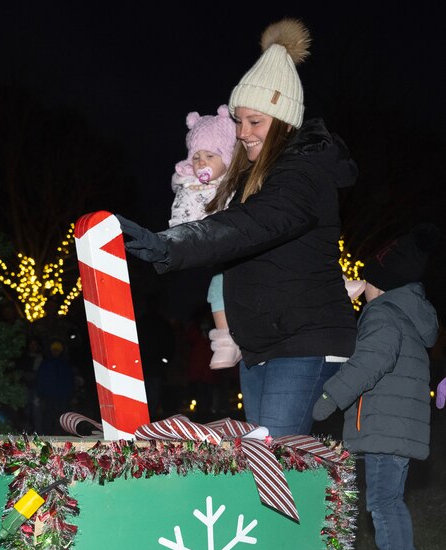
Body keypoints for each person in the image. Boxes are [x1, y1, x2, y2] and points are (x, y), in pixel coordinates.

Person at [116, 18, 358, 437]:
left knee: (275, 463)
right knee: (263, 466)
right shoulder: (253, 173)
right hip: (261, 345)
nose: (242, 133)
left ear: (284, 121)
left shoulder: (304, 172)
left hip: (305, 342)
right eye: (240, 121)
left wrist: (174, 246)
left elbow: (254, 224)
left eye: (255, 122)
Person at [311, 223, 441, 550]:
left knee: (381, 502)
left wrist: (330, 397)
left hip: (384, 426)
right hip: (400, 427)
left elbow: (369, 363)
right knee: (391, 500)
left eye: (365, 281)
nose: (361, 287)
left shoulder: (382, 315)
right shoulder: (409, 317)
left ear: (379, 284)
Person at [168, 105, 240, 370]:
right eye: (196, 156)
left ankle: (333, 282)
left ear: (227, 158)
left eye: (210, 155)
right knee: (216, 290)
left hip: (239, 244)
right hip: (214, 252)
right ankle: (225, 341)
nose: (201, 162)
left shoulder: (235, 184)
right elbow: (180, 216)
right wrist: (177, 241)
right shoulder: (188, 186)